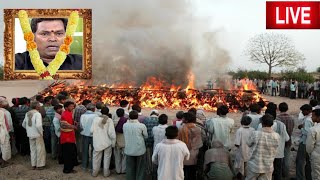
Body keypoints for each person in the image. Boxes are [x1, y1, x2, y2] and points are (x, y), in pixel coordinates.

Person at [15, 18, 82, 70]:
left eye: (59, 33)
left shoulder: (81, 63)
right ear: (33, 37)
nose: (52, 39)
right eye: (44, 34)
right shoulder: (15, 63)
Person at [246, 114, 280, 180]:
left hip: (254, 165)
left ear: (262, 123)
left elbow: (248, 143)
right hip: (268, 166)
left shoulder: (255, 134)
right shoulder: (276, 136)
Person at [90, 107, 116, 177]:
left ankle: (95, 172)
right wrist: (113, 140)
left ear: (101, 112)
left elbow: (91, 130)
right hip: (107, 142)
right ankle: (106, 173)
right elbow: (111, 133)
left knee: (96, 158)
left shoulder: (95, 119)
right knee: (107, 158)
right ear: (108, 112)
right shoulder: (109, 120)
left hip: (97, 142)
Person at [123, 110, 148, 180]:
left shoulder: (125, 125)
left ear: (129, 117)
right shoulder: (141, 126)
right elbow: (146, 136)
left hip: (129, 149)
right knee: (140, 168)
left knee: (130, 168)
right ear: (137, 117)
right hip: (140, 150)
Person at [178, 112, 202, 180]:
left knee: (184, 173)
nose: (182, 119)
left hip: (184, 154)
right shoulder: (197, 129)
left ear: (186, 120)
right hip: (194, 154)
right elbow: (199, 143)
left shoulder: (182, 129)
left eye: (183, 118)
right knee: (192, 173)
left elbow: (179, 141)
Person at [22, 101, 46, 170]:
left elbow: (23, 124)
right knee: (40, 149)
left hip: (30, 134)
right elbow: (38, 125)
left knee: (32, 149)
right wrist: (41, 132)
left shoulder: (27, 113)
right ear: (37, 107)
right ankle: (40, 165)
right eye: (39, 105)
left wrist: (29, 130)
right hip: (37, 134)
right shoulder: (37, 114)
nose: (40, 106)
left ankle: (33, 164)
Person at [277, 102, 295, 178]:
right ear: (287, 109)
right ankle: (286, 174)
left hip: (279, 141)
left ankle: (279, 174)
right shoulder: (291, 118)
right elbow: (292, 129)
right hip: (288, 140)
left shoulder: (278, 118)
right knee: (287, 159)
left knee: (279, 158)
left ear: (279, 109)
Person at [60, 101, 78, 174]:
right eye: (71, 106)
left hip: (69, 137)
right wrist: (73, 126)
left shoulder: (68, 113)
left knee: (70, 153)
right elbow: (63, 125)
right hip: (67, 137)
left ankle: (69, 167)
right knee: (68, 154)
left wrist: (73, 122)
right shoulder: (66, 114)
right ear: (66, 107)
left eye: (73, 106)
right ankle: (67, 169)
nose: (73, 107)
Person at [296, 104, 313, 180]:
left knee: (300, 161)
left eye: (303, 111)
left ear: (308, 111)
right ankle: (308, 177)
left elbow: (307, 132)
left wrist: (302, 128)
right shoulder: (312, 118)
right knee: (308, 161)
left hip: (304, 142)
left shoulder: (308, 120)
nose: (302, 112)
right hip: (310, 143)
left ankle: (299, 177)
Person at [80, 103, 98, 171]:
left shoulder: (83, 115)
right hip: (93, 135)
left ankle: (84, 166)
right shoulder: (96, 115)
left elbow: (81, 126)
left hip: (85, 135)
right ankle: (91, 167)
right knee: (93, 151)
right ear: (93, 109)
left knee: (85, 150)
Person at [143, 110, 159, 178]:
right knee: (155, 158)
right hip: (155, 142)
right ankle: (154, 173)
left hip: (147, 141)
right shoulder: (158, 120)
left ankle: (148, 172)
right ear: (157, 114)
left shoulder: (146, 120)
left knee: (148, 158)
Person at [306, 109, 320, 179]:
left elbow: (309, 146)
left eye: (313, 116)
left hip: (317, 156)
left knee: (316, 175)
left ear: (318, 117)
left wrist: (310, 153)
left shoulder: (313, 129)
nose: (311, 117)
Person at [114, 108, 128, 174]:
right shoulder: (126, 121)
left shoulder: (113, 121)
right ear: (123, 113)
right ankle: (123, 170)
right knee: (124, 157)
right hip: (124, 141)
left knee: (117, 157)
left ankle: (118, 170)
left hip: (117, 141)